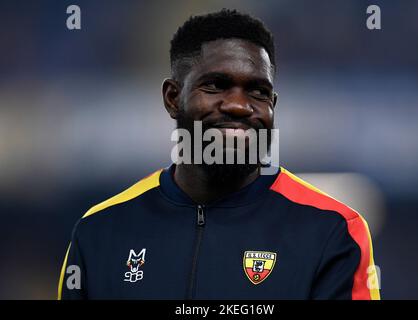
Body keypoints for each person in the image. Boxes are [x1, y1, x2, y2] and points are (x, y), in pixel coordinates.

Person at [58, 9, 380, 300]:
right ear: (173, 98)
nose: (239, 106)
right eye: (215, 86)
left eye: (258, 91)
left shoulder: (334, 231)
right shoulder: (98, 233)